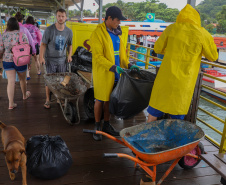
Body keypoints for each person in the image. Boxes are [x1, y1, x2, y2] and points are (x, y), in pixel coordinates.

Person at [147, 4, 218, 122]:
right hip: (184, 82)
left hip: (165, 77)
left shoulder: (172, 28)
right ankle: (171, 139)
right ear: (197, 18)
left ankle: (145, 136)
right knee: (177, 113)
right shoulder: (203, 33)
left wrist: (170, 51)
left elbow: (157, 48)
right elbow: (213, 56)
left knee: (155, 109)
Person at [90, 6, 139, 141]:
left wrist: (129, 65)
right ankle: (97, 126)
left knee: (109, 100)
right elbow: (98, 57)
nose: (119, 23)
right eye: (117, 20)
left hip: (117, 73)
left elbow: (121, 55)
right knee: (100, 99)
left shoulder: (117, 33)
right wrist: (113, 67)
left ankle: (106, 124)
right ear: (109, 18)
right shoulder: (97, 33)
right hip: (104, 73)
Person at [39, 8, 73, 109]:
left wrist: (69, 55)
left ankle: (59, 98)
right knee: (49, 81)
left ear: (66, 17)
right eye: (59, 16)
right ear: (56, 17)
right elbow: (43, 44)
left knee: (62, 80)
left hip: (62, 59)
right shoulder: (49, 30)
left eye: (63, 16)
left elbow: (70, 45)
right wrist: (41, 57)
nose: (61, 18)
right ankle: (48, 99)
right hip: (50, 59)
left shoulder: (69, 31)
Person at [0, 17, 31, 109]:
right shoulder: (22, 35)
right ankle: (24, 95)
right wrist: (29, 62)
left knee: (10, 82)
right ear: (17, 25)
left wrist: (2, 56)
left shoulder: (3, 35)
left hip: (7, 60)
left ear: (8, 25)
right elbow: (27, 49)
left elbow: (1, 49)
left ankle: (11, 104)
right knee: (22, 79)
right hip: (21, 60)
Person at [15, 12, 36, 80]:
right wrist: (33, 51)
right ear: (22, 20)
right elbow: (31, 41)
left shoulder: (8, 29)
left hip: (13, 53)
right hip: (23, 52)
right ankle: (26, 76)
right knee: (24, 67)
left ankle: (15, 81)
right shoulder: (24, 29)